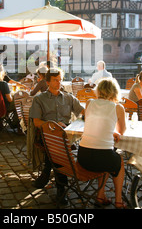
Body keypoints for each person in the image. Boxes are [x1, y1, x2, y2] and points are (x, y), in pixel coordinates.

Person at [29, 67, 84, 206]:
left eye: (60, 80)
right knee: (59, 149)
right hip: (46, 134)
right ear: (47, 82)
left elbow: (83, 112)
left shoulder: (69, 97)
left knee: (58, 147)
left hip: (66, 135)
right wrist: (53, 125)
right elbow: (36, 122)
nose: (59, 83)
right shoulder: (39, 99)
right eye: (55, 80)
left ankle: (46, 174)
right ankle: (61, 188)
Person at [78, 78, 127, 209]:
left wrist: (110, 132)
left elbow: (94, 124)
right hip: (103, 158)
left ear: (98, 90)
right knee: (118, 160)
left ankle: (100, 195)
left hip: (83, 157)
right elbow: (122, 130)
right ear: (115, 92)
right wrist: (113, 132)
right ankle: (118, 200)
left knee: (107, 156)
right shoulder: (118, 107)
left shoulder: (89, 103)